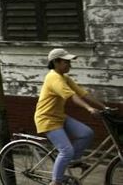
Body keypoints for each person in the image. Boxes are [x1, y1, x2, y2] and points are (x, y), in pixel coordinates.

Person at [34, 48, 108, 185]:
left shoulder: (64, 77)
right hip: (47, 119)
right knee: (67, 151)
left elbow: (82, 93)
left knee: (87, 133)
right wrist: (89, 108)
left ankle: (73, 161)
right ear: (56, 62)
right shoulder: (53, 78)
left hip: (59, 116)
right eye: (66, 62)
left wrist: (103, 107)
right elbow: (72, 97)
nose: (70, 65)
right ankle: (56, 182)